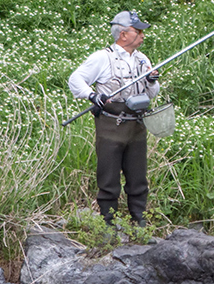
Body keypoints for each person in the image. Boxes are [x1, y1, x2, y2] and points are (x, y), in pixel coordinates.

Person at [67, 11, 161, 227]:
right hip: (110, 124)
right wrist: (92, 95)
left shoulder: (142, 59)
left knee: (138, 179)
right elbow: (76, 79)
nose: (143, 36)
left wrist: (152, 81)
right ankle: (107, 224)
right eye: (138, 32)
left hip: (137, 124)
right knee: (108, 179)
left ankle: (140, 223)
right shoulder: (102, 58)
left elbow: (152, 93)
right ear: (123, 34)